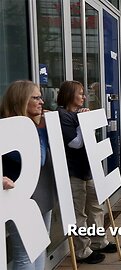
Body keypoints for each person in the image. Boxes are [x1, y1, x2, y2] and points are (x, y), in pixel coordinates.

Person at [57, 80, 117, 263]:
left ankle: (99, 241)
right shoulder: (63, 115)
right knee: (79, 213)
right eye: (80, 93)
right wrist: (83, 123)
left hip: (87, 169)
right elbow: (75, 143)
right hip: (73, 170)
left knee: (95, 207)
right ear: (69, 95)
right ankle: (83, 250)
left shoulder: (78, 114)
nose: (84, 97)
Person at [1, 80, 55, 269]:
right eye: (36, 97)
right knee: (25, 255)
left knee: (39, 247)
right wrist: (40, 129)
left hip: (42, 196)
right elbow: (37, 158)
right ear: (21, 100)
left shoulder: (36, 126)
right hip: (21, 201)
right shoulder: (9, 130)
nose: (42, 102)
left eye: (41, 97)